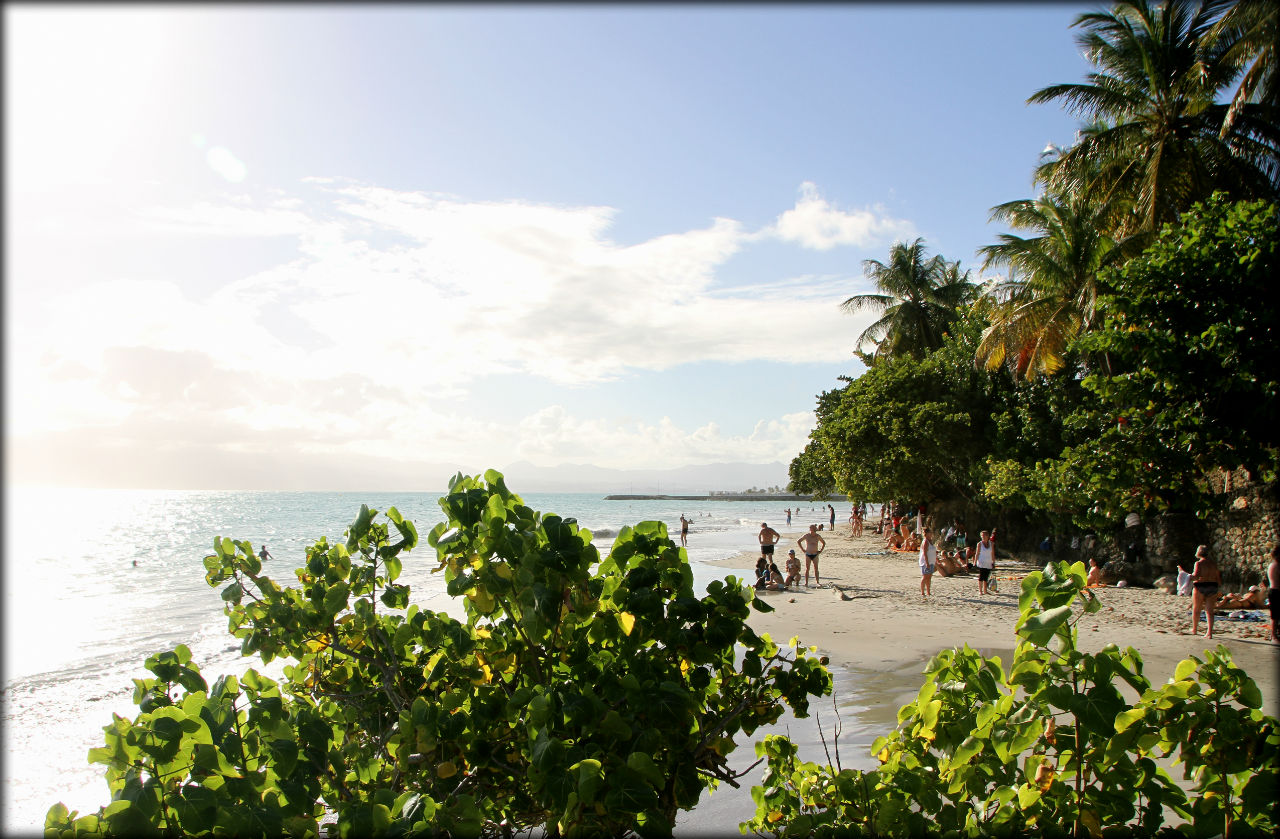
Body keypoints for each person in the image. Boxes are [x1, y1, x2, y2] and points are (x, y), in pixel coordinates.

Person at [1190, 544, 1221, 638]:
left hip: (1200, 586)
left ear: (1198, 553)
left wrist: (1187, 576)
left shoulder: (1199, 563)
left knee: (1196, 609)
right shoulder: (1213, 564)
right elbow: (1218, 578)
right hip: (1212, 586)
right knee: (1209, 610)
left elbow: (1196, 576)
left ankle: (1195, 629)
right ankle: (1209, 632)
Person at [975, 528, 997, 595]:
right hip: (981, 562)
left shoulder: (992, 544)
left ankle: (985, 590)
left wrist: (993, 562)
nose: (983, 537)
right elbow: (977, 553)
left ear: (988, 536)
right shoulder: (979, 544)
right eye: (982, 536)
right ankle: (980, 591)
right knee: (981, 576)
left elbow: (992, 553)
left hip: (989, 562)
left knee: (986, 577)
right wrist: (975, 562)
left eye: (984, 535)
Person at [919, 527, 937, 597]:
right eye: (930, 533)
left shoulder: (930, 541)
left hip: (931, 561)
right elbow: (925, 553)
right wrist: (927, 563)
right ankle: (922, 592)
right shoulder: (925, 541)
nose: (931, 534)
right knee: (925, 576)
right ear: (926, 534)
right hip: (925, 561)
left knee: (929, 577)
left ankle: (928, 592)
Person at [1268, 545, 1279, 643]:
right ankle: (1273, 635)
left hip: (1275, 591)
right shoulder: (1275, 565)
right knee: (1275, 616)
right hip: (1275, 591)